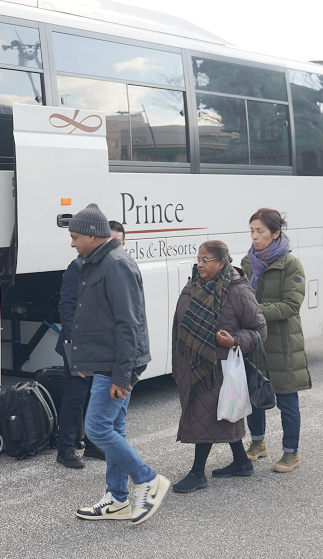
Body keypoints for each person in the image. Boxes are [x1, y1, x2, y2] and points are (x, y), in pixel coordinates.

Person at [67, 204, 170, 524]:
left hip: (118, 365)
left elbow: (129, 324)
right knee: (112, 427)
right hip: (106, 362)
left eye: (74, 237)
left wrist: (122, 376)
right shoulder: (96, 261)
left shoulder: (115, 264)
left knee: (97, 427)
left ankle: (147, 479)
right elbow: (96, 318)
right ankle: (117, 498)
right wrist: (86, 361)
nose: (72, 244)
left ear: (92, 236)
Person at [171, 240, 267, 492]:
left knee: (205, 413)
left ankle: (197, 472)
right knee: (217, 414)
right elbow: (177, 327)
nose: (199, 264)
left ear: (222, 262)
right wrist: (175, 365)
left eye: (205, 260)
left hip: (219, 366)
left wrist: (235, 340)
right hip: (190, 362)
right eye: (198, 259)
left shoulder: (237, 290)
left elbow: (259, 330)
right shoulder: (193, 285)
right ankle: (241, 461)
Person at [240, 208, 309, 473]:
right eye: (252, 231)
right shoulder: (248, 262)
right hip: (255, 342)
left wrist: (254, 312)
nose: (255, 237)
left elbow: (291, 305)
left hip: (283, 343)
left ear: (276, 233)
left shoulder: (290, 263)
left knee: (287, 401)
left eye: (260, 232)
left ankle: (291, 453)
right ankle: (257, 443)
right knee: (255, 396)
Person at [54, 221, 125, 468]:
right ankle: (65, 449)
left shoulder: (111, 266)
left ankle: (94, 446)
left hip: (99, 345)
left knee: (97, 393)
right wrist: (76, 343)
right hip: (77, 343)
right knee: (75, 395)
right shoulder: (76, 267)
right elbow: (67, 306)